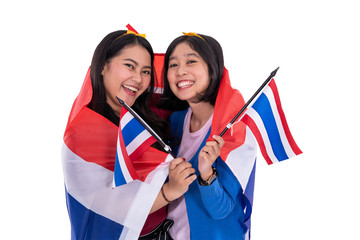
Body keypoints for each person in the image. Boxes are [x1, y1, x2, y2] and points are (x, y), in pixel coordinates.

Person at [62, 27, 196, 240]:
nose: (138, 79)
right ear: (103, 66)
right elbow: (106, 206)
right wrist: (169, 191)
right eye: (129, 66)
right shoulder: (82, 134)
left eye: (145, 71)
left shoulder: (143, 115)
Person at [158, 33, 257, 240]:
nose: (180, 71)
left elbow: (222, 211)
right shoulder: (175, 121)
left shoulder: (234, 126)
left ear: (212, 69)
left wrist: (206, 174)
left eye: (191, 61)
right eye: (173, 65)